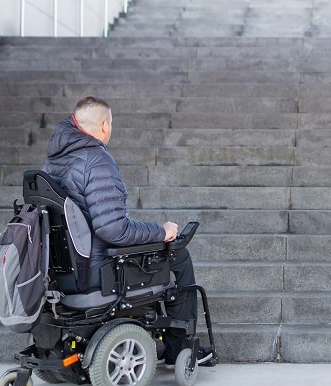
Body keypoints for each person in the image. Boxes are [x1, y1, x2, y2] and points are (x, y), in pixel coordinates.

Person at [43, 96, 210, 367]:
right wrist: (160, 232)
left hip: (65, 270)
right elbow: (113, 230)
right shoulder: (96, 161)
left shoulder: (52, 161)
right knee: (177, 254)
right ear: (105, 125)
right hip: (98, 269)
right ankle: (179, 349)